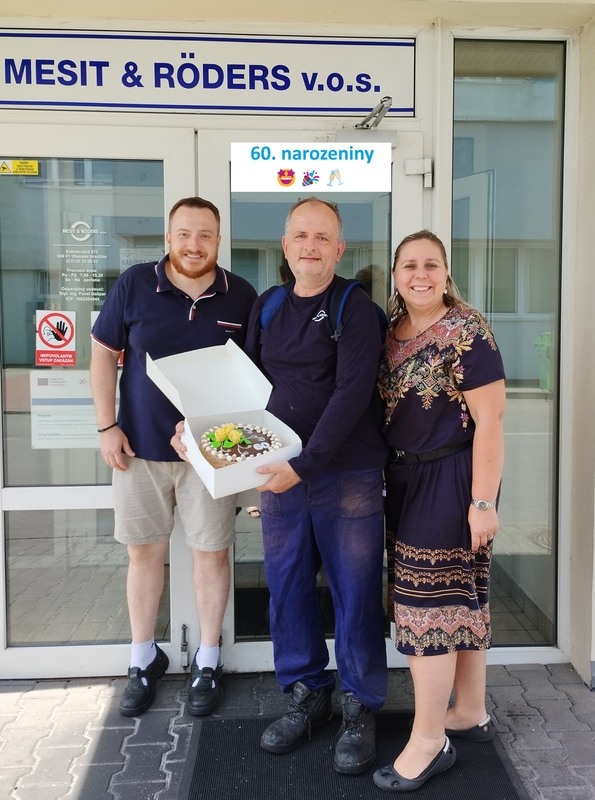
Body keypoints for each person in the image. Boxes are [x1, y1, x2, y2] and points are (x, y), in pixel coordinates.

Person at [172, 197, 389, 775]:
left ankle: (359, 705)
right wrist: (197, 431)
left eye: (322, 237)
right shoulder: (268, 306)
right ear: (286, 246)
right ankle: (306, 694)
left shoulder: (354, 308)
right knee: (288, 587)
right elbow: (241, 387)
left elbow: (351, 395)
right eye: (301, 236)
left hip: (344, 475)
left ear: (339, 249)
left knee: (354, 593)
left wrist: (305, 464)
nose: (310, 246)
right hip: (279, 474)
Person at [90, 196, 257, 719]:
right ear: (168, 238)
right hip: (138, 449)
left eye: (204, 235)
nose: (193, 244)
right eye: (183, 234)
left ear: (218, 240)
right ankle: (143, 658)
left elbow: (251, 378)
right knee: (143, 553)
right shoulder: (134, 284)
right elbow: (102, 355)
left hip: (211, 453)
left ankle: (208, 658)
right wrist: (106, 425)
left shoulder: (241, 295)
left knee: (211, 554)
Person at [373, 230, 505, 792]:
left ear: (446, 272)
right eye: (409, 265)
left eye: (431, 264)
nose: (420, 275)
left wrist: (482, 502)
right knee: (460, 597)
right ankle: (469, 710)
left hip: (453, 477)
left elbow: (492, 421)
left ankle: (429, 741)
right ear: (396, 274)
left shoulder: (467, 329)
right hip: (406, 477)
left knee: (426, 607)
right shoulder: (391, 330)